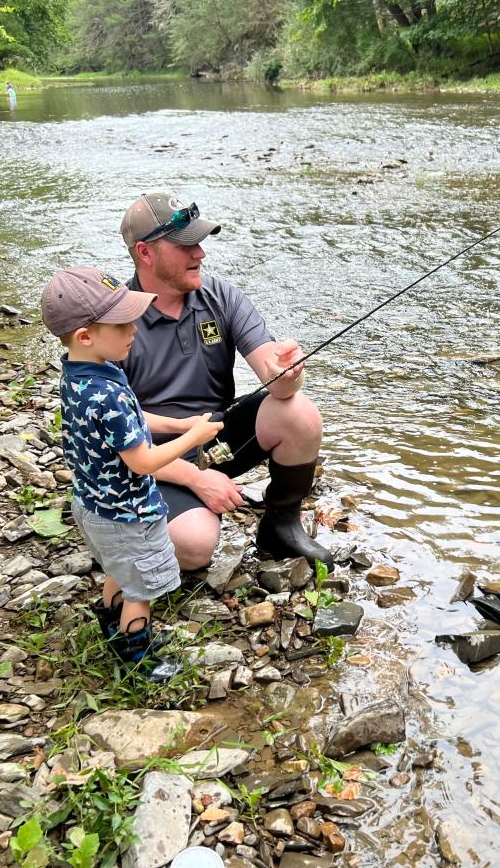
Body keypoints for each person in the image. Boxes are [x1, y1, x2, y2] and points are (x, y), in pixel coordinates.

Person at [117, 191, 333, 572]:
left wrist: (286, 371)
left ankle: (280, 524)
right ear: (145, 253)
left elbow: (277, 381)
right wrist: (196, 480)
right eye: (185, 246)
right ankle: (115, 529)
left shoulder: (221, 297)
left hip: (213, 441)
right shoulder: (112, 320)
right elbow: (108, 437)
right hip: (143, 457)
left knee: (299, 412)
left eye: (199, 242)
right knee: (195, 547)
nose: (199, 253)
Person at [40, 266, 220, 679]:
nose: (134, 328)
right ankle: (138, 655)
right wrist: (194, 436)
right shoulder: (106, 389)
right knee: (140, 589)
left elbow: (131, 418)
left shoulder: (81, 374)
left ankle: (111, 621)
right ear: (85, 335)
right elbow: (143, 461)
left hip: (92, 505)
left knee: (118, 571)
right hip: (127, 513)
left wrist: (178, 423)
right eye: (123, 324)